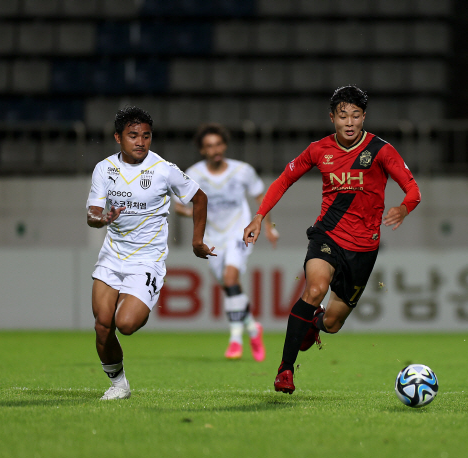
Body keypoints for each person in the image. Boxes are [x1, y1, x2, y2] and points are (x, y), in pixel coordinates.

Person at [243, 86, 421, 394]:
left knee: (334, 323)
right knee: (315, 288)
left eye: (355, 116)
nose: (349, 122)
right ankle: (285, 369)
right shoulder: (318, 149)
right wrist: (260, 215)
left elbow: (414, 189)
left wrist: (404, 208)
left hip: (364, 248)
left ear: (364, 117)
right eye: (343, 116)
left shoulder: (381, 150)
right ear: (332, 118)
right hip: (327, 236)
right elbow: (285, 179)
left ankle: (314, 325)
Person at [86, 106, 215, 400]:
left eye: (146, 136)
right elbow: (92, 215)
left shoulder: (163, 169)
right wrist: (102, 219)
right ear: (118, 137)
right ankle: (118, 384)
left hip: (147, 260)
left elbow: (200, 198)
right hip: (112, 255)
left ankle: (147, 291)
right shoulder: (104, 169)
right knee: (102, 326)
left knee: (126, 324)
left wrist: (197, 241)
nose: (141, 142)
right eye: (133, 136)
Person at [175, 123, 279, 361]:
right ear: (203, 150)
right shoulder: (193, 174)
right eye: (209, 146)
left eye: (219, 144)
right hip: (212, 237)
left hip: (238, 232)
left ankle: (235, 341)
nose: (215, 149)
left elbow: (260, 196)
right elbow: (179, 206)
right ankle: (253, 328)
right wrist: (197, 214)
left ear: (225, 145)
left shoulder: (242, 170)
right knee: (229, 288)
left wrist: (269, 226)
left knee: (231, 279)